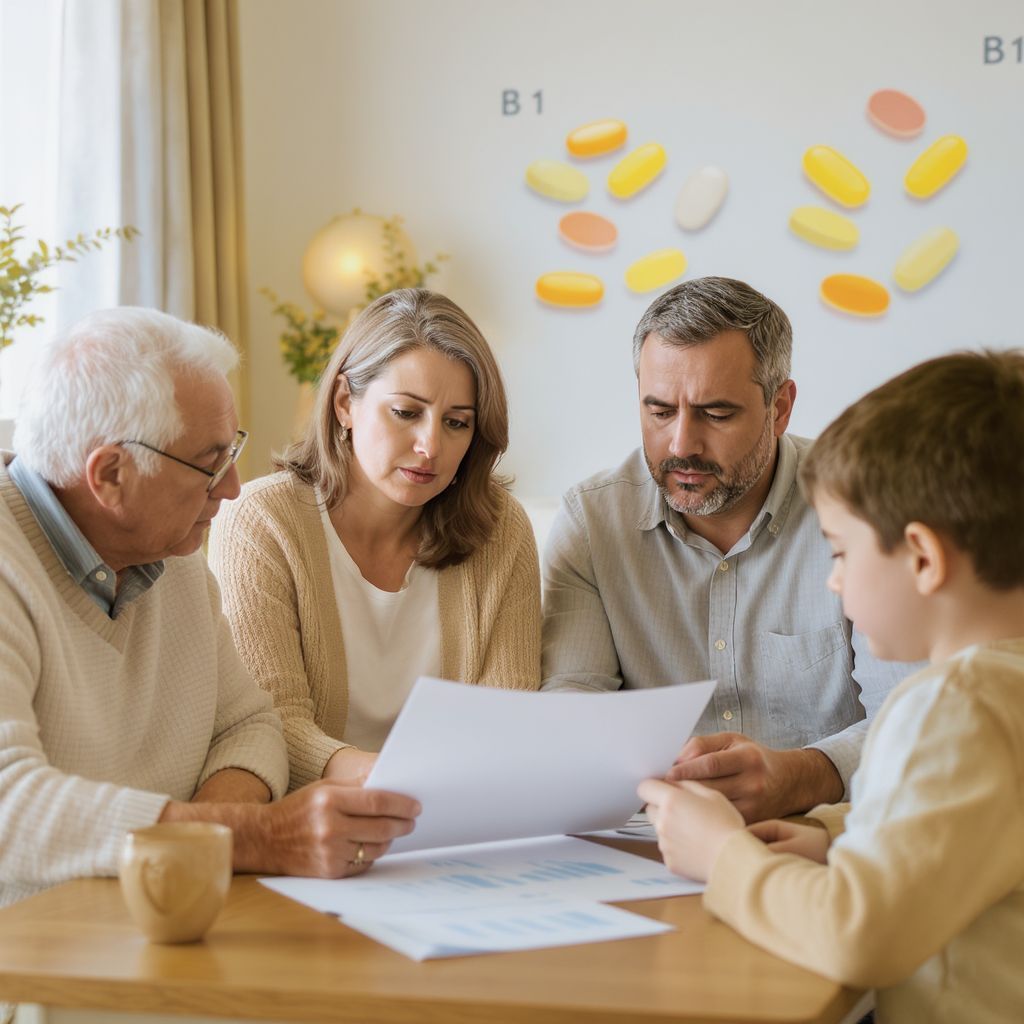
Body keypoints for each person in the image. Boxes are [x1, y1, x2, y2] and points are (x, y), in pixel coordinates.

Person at [639, 349, 1024, 1023]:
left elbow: (860, 937)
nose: (834, 580)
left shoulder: (954, 706)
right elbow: (970, 827)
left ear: (924, 559)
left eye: (841, 552)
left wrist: (722, 855)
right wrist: (833, 836)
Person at [0, 306, 420, 915]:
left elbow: (248, 726)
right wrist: (254, 837)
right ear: (110, 475)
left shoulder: (170, 549)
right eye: (210, 461)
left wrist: (196, 844)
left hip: (168, 916)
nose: (230, 487)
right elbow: (10, 808)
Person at [542, 277, 907, 821]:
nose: (682, 445)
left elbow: (912, 718)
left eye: (716, 414)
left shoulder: (870, 510)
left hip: (827, 838)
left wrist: (805, 774)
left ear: (780, 408)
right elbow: (572, 698)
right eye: (660, 411)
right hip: (649, 840)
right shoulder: (591, 523)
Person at [208, 289, 541, 790]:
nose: (430, 446)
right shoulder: (260, 522)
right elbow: (270, 724)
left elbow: (507, 721)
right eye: (407, 412)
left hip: (459, 821)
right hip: (313, 828)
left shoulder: (501, 530)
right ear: (345, 402)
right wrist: (391, 780)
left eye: (456, 423)